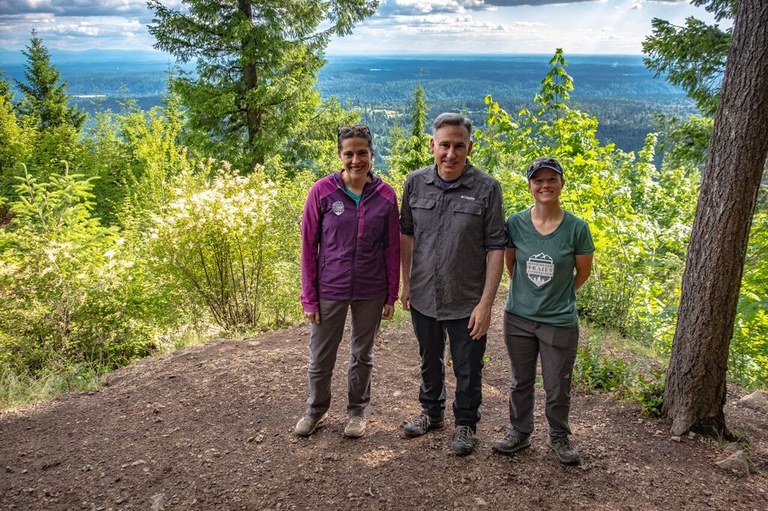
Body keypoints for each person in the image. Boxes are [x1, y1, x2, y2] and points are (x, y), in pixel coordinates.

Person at [399, 113, 507, 455]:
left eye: (459, 146)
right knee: (429, 359)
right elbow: (407, 235)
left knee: (468, 367)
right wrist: (406, 283)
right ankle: (431, 413)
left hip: (467, 299)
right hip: (424, 293)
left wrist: (486, 304)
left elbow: (496, 248)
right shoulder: (415, 183)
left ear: (469, 147)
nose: (450, 153)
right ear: (432, 145)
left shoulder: (487, 189)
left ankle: (466, 424)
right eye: (444, 145)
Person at [294, 124, 400, 439]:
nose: (356, 160)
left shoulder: (385, 195)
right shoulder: (322, 191)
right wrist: (309, 297)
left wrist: (391, 294)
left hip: (371, 288)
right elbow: (308, 247)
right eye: (349, 154)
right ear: (340, 156)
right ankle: (316, 410)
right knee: (320, 356)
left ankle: (356, 412)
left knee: (362, 355)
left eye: (362, 153)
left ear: (371, 154)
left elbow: (392, 249)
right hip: (330, 287)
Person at [491, 156, 594, 465]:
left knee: (557, 384)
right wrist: (528, 295)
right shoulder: (515, 223)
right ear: (530, 186)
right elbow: (511, 265)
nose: (545, 185)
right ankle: (519, 432)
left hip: (559, 320)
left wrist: (558, 295)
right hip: (518, 318)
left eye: (552, 179)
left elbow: (582, 273)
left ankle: (559, 436)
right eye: (538, 180)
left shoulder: (577, 228)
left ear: (562, 183)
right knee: (520, 381)